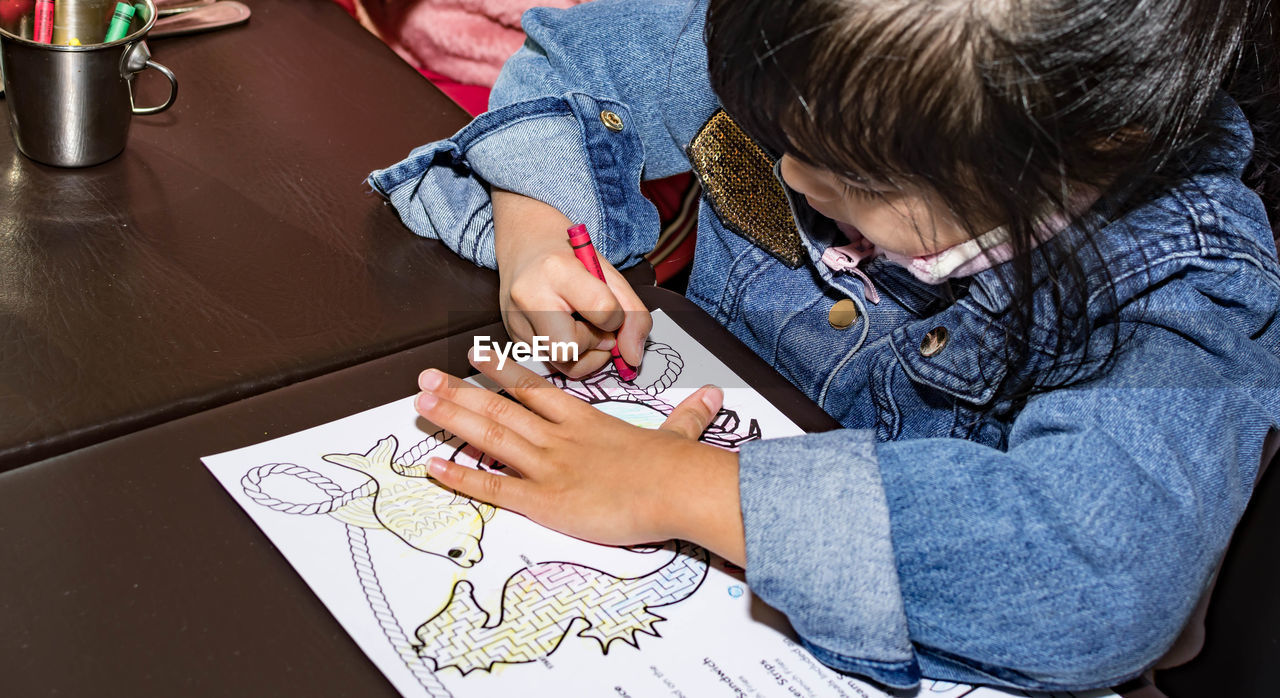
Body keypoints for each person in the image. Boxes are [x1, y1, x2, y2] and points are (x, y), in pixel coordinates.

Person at [367, 0, 1280, 690]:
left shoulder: (1189, 286)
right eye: (777, 135)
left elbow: (1096, 573)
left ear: (1079, 150)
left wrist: (671, 486)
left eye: (851, 171)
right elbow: (588, 52)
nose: (791, 172)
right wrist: (540, 220)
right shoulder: (819, 35)